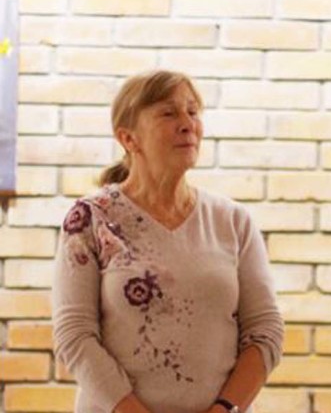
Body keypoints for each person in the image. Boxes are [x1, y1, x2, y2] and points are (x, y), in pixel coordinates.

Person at [53, 70, 284, 413]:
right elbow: (74, 336)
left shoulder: (233, 221)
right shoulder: (90, 218)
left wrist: (224, 409)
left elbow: (265, 332)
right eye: (168, 113)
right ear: (128, 138)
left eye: (192, 112)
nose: (187, 124)